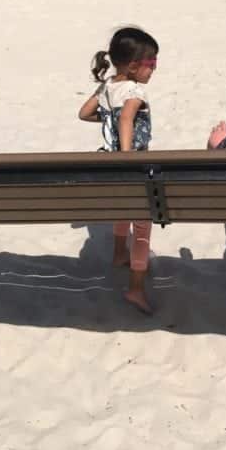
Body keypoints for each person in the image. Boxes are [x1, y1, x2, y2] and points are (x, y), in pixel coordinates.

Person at [78, 26, 159, 314]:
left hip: (109, 166)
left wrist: (106, 118)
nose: (154, 70)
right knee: (142, 224)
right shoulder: (135, 91)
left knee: (122, 209)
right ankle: (136, 289)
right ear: (135, 66)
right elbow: (126, 118)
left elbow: (84, 113)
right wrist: (128, 156)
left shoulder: (108, 86)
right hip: (131, 164)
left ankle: (117, 255)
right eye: (152, 64)